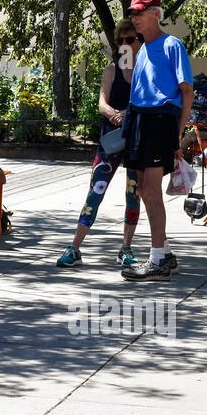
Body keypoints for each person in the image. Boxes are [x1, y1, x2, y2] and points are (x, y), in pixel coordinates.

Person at [56, 19, 144, 270]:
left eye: (130, 39)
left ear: (139, 41)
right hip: (111, 141)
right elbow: (101, 103)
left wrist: (130, 112)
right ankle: (74, 247)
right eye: (121, 41)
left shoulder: (145, 70)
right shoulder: (111, 70)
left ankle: (126, 248)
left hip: (137, 141)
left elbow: (150, 101)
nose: (125, 45)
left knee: (133, 194)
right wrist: (114, 113)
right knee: (96, 191)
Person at [122, 0, 194, 281]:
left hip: (161, 119)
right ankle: (162, 252)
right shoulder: (141, 51)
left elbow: (186, 90)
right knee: (142, 190)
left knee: (150, 191)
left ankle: (157, 260)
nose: (135, 18)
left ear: (156, 13)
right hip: (140, 120)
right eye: (132, 13)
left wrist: (177, 133)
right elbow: (137, 94)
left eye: (140, 12)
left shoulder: (172, 44)